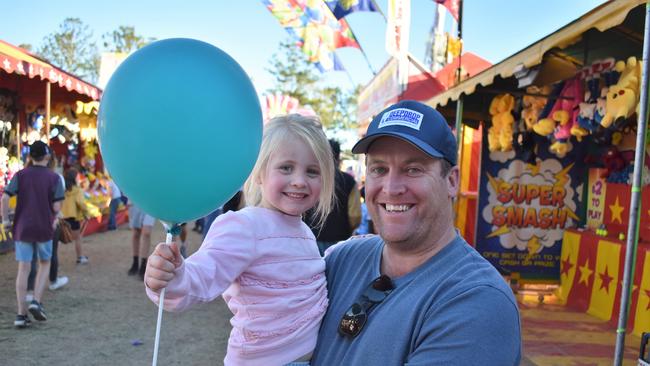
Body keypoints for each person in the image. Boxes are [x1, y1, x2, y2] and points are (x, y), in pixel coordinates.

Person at [311, 101, 521, 365]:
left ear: (452, 181)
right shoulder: (342, 260)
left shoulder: (478, 301)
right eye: (379, 169)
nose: (391, 187)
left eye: (413, 169)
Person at [144, 114, 335, 365]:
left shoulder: (305, 232)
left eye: (312, 171)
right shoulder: (245, 226)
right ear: (258, 173)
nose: (299, 181)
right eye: (286, 167)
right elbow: (202, 275)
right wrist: (171, 277)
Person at [2, 141, 65, 328]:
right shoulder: (54, 178)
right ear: (47, 156)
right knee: (45, 262)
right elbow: (56, 207)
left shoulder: (21, 175)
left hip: (22, 227)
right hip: (44, 227)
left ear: (30, 157)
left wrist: (5, 220)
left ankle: (20, 315)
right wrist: (56, 216)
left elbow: (5, 197)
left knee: (24, 268)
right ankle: (36, 301)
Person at [306, 139, 361, 255]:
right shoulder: (349, 181)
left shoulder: (310, 178)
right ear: (338, 156)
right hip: (341, 238)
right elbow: (355, 215)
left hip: (312, 237)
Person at [61, 168, 92, 264]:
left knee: (58, 240)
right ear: (74, 178)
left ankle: (54, 261)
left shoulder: (62, 190)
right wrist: (87, 214)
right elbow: (81, 203)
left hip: (61, 217)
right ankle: (80, 257)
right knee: (77, 238)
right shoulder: (77, 190)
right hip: (73, 217)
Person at [127, 203, 155, 279]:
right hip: (135, 200)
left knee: (146, 233)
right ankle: (135, 262)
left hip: (150, 202)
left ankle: (143, 265)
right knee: (136, 233)